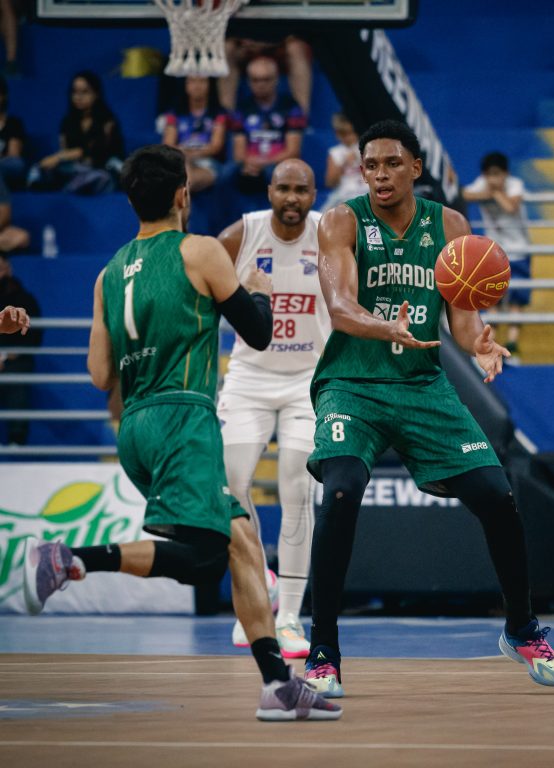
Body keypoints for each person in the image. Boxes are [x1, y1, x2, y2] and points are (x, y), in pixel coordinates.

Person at [21, 144, 340, 722]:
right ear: (181, 195)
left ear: (129, 199)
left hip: (135, 427)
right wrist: (262, 294)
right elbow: (260, 334)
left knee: (242, 540)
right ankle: (69, 559)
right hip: (183, 418)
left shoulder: (108, 272)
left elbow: (98, 376)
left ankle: (278, 685)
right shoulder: (201, 251)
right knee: (201, 557)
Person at [302, 119, 554, 698]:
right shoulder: (341, 221)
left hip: (422, 384)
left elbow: (462, 311)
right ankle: (323, 650)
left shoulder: (449, 225)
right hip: (353, 380)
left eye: (391, 164)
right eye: (370, 165)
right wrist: (385, 326)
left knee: (497, 495)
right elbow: (341, 307)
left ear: (415, 168)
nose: (379, 174)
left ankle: (521, 630)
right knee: (343, 488)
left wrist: (477, 341)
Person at [218, 158, 329, 658]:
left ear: (314, 193)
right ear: (268, 191)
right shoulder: (242, 235)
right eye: (282, 189)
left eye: (301, 190)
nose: (291, 198)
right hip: (249, 379)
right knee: (229, 489)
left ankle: (288, 618)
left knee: (296, 488)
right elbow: (198, 292)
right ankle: (257, 596)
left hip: (308, 379)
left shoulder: (331, 233)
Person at [462, 152, 531, 363]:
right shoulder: (482, 183)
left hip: (519, 250)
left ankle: (512, 346)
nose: (493, 179)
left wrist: (495, 194)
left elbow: (511, 206)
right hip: (494, 252)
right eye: (489, 175)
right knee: (491, 298)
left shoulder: (515, 184)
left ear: (506, 174)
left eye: (497, 174)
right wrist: (488, 192)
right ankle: (490, 346)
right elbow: (463, 195)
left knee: (516, 301)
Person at [27, 71, 124, 194]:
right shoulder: (68, 122)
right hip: (75, 168)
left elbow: (91, 151)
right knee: (40, 168)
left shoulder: (108, 122)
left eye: (85, 92)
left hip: (102, 167)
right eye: (75, 92)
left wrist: (58, 157)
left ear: (96, 94)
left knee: (100, 177)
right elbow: (66, 150)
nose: (78, 97)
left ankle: (71, 186)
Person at [229, 56, 307, 200]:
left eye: (266, 79)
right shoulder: (241, 108)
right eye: (256, 80)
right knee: (226, 174)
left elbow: (293, 150)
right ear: (248, 81)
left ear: (276, 79)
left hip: (277, 164)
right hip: (248, 164)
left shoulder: (291, 107)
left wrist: (262, 163)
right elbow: (238, 152)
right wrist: (249, 162)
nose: (261, 85)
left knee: (276, 173)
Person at [161, 76, 227, 194]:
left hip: (208, 163)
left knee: (186, 180)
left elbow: (216, 146)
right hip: (181, 161)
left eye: (202, 81)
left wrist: (192, 155)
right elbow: (168, 144)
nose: (197, 85)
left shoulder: (219, 114)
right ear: (185, 85)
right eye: (192, 81)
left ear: (210, 85)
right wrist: (185, 156)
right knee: (183, 169)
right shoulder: (174, 114)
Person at [0, 253, 39, 445]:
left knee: (17, 376)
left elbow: (32, 337)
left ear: (9, 268)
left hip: (14, 360)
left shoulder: (23, 298)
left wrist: (4, 356)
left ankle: (17, 439)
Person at [218, 35, 312, 115]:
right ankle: (227, 116)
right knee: (228, 48)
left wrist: (266, 43)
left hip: (278, 44)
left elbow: (295, 32)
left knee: (296, 47)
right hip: (245, 46)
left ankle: (300, 116)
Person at [321, 113, 367, 213]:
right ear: (338, 135)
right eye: (345, 134)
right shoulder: (336, 153)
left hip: (366, 191)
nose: (350, 137)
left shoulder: (367, 149)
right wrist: (344, 164)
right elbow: (330, 183)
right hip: (344, 194)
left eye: (352, 133)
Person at [0, 74, 26, 191]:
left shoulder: (13, 123)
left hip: (7, 168)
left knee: (16, 163)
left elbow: (13, 155)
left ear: (4, 96)